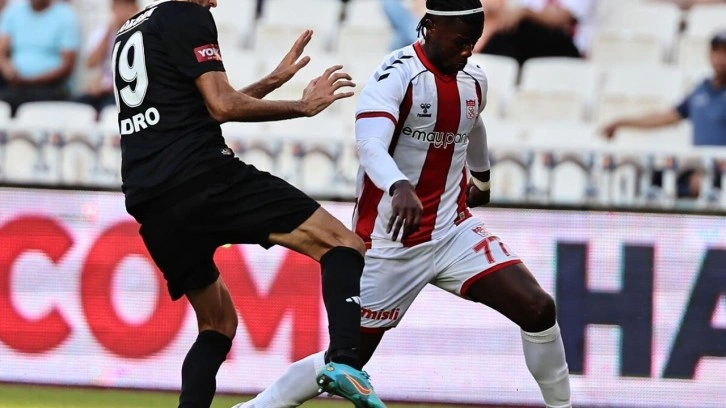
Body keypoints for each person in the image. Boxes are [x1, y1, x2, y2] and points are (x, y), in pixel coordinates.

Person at [234, 1, 572, 408]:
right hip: (391, 240)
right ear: (430, 27)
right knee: (345, 362)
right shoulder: (396, 76)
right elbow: (370, 144)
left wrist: (481, 177)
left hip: (453, 231)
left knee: (538, 308)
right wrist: (399, 186)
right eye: (461, 41)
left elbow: (474, 122)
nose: (468, 50)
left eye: (474, 42)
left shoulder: (474, 78)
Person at [112, 1, 385, 407]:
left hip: (150, 200)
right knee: (343, 244)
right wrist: (302, 107)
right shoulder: (187, 14)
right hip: (203, 177)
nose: (215, 3)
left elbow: (201, 110)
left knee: (217, 323)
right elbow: (222, 105)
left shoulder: (132, 29)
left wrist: (273, 80)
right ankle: (345, 363)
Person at [602, 30, 726, 198]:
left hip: (719, 171)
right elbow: (666, 116)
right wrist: (622, 122)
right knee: (654, 178)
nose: (720, 58)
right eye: (716, 51)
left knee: (699, 185)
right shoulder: (701, 90)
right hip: (700, 167)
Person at [0, 0, 80, 114]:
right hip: (14, 84)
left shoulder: (66, 16)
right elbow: (1, 52)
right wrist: (8, 70)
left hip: (49, 86)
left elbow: (67, 66)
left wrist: (29, 80)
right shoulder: (13, 12)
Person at [479, 0, 597, 66]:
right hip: (532, 47)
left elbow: (559, 19)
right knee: (506, 34)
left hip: (569, 49)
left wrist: (525, 13)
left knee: (523, 27)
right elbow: (513, 16)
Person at [76, 0, 140, 113]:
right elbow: (90, 63)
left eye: (126, 7)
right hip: (103, 90)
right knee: (78, 105)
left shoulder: (142, 33)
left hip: (127, 92)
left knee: (108, 108)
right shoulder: (104, 30)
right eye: (118, 7)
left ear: (135, 8)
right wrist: (109, 32)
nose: (122, 12)